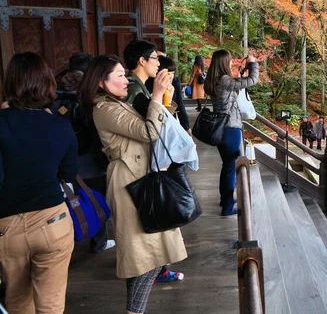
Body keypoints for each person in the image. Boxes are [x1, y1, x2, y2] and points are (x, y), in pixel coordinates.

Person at [78, 55, 188, 314]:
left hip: (139, 178)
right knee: (145, 257)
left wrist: (164, 99)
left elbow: (156, 126)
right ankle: (134, 311)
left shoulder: (115, 103)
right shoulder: (104, 108)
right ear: (102, 83)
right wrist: (156, 93)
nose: (125, 79)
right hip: (129, 183)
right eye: (118, 75)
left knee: (145, 256)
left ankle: (135, 311)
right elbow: (148, 131)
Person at [0, 52, 78, 314]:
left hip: (6, 226)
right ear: (47, 83)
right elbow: (68, 173)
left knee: (17, 302)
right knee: (52, 303)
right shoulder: (60, 126)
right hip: (51, 220)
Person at [123, 41, 184, 284]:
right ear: (142, 60)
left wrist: (163, 95)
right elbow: (152, 128)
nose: (159, 63)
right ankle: (152, 273)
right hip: (137, 164)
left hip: (145, 160)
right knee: (148, 225)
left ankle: (157, 269)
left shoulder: (141, 87)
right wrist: (160, 96)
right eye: (155, 58)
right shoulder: (133, 90)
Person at [51, 52, 115, 253]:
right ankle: (99, 241)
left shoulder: (53, 88)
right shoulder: (86, 91)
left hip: (59, 155)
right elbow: (90, 125)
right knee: (96, 197)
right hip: (87, 156)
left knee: (67, 199)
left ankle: (67, 241)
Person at [205, 50, 259, 216]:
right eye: (229, 61)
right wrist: (252, 64)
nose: (231, 63)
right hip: (230, 129)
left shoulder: (214, 80)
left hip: (221, 129)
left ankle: (225, 199)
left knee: (226, 166)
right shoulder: (224, 80)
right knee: (230, 167)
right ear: (223, 63)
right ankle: (227, 206)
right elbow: (252, 80)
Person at [146, 55, 190, 134]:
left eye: (173, 73)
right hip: (156, 125)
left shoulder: (174, 82)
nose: (171, 77)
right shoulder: (150, 85)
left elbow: (180, 104)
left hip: (171, 121)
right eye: (168, 73)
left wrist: (186, 127)